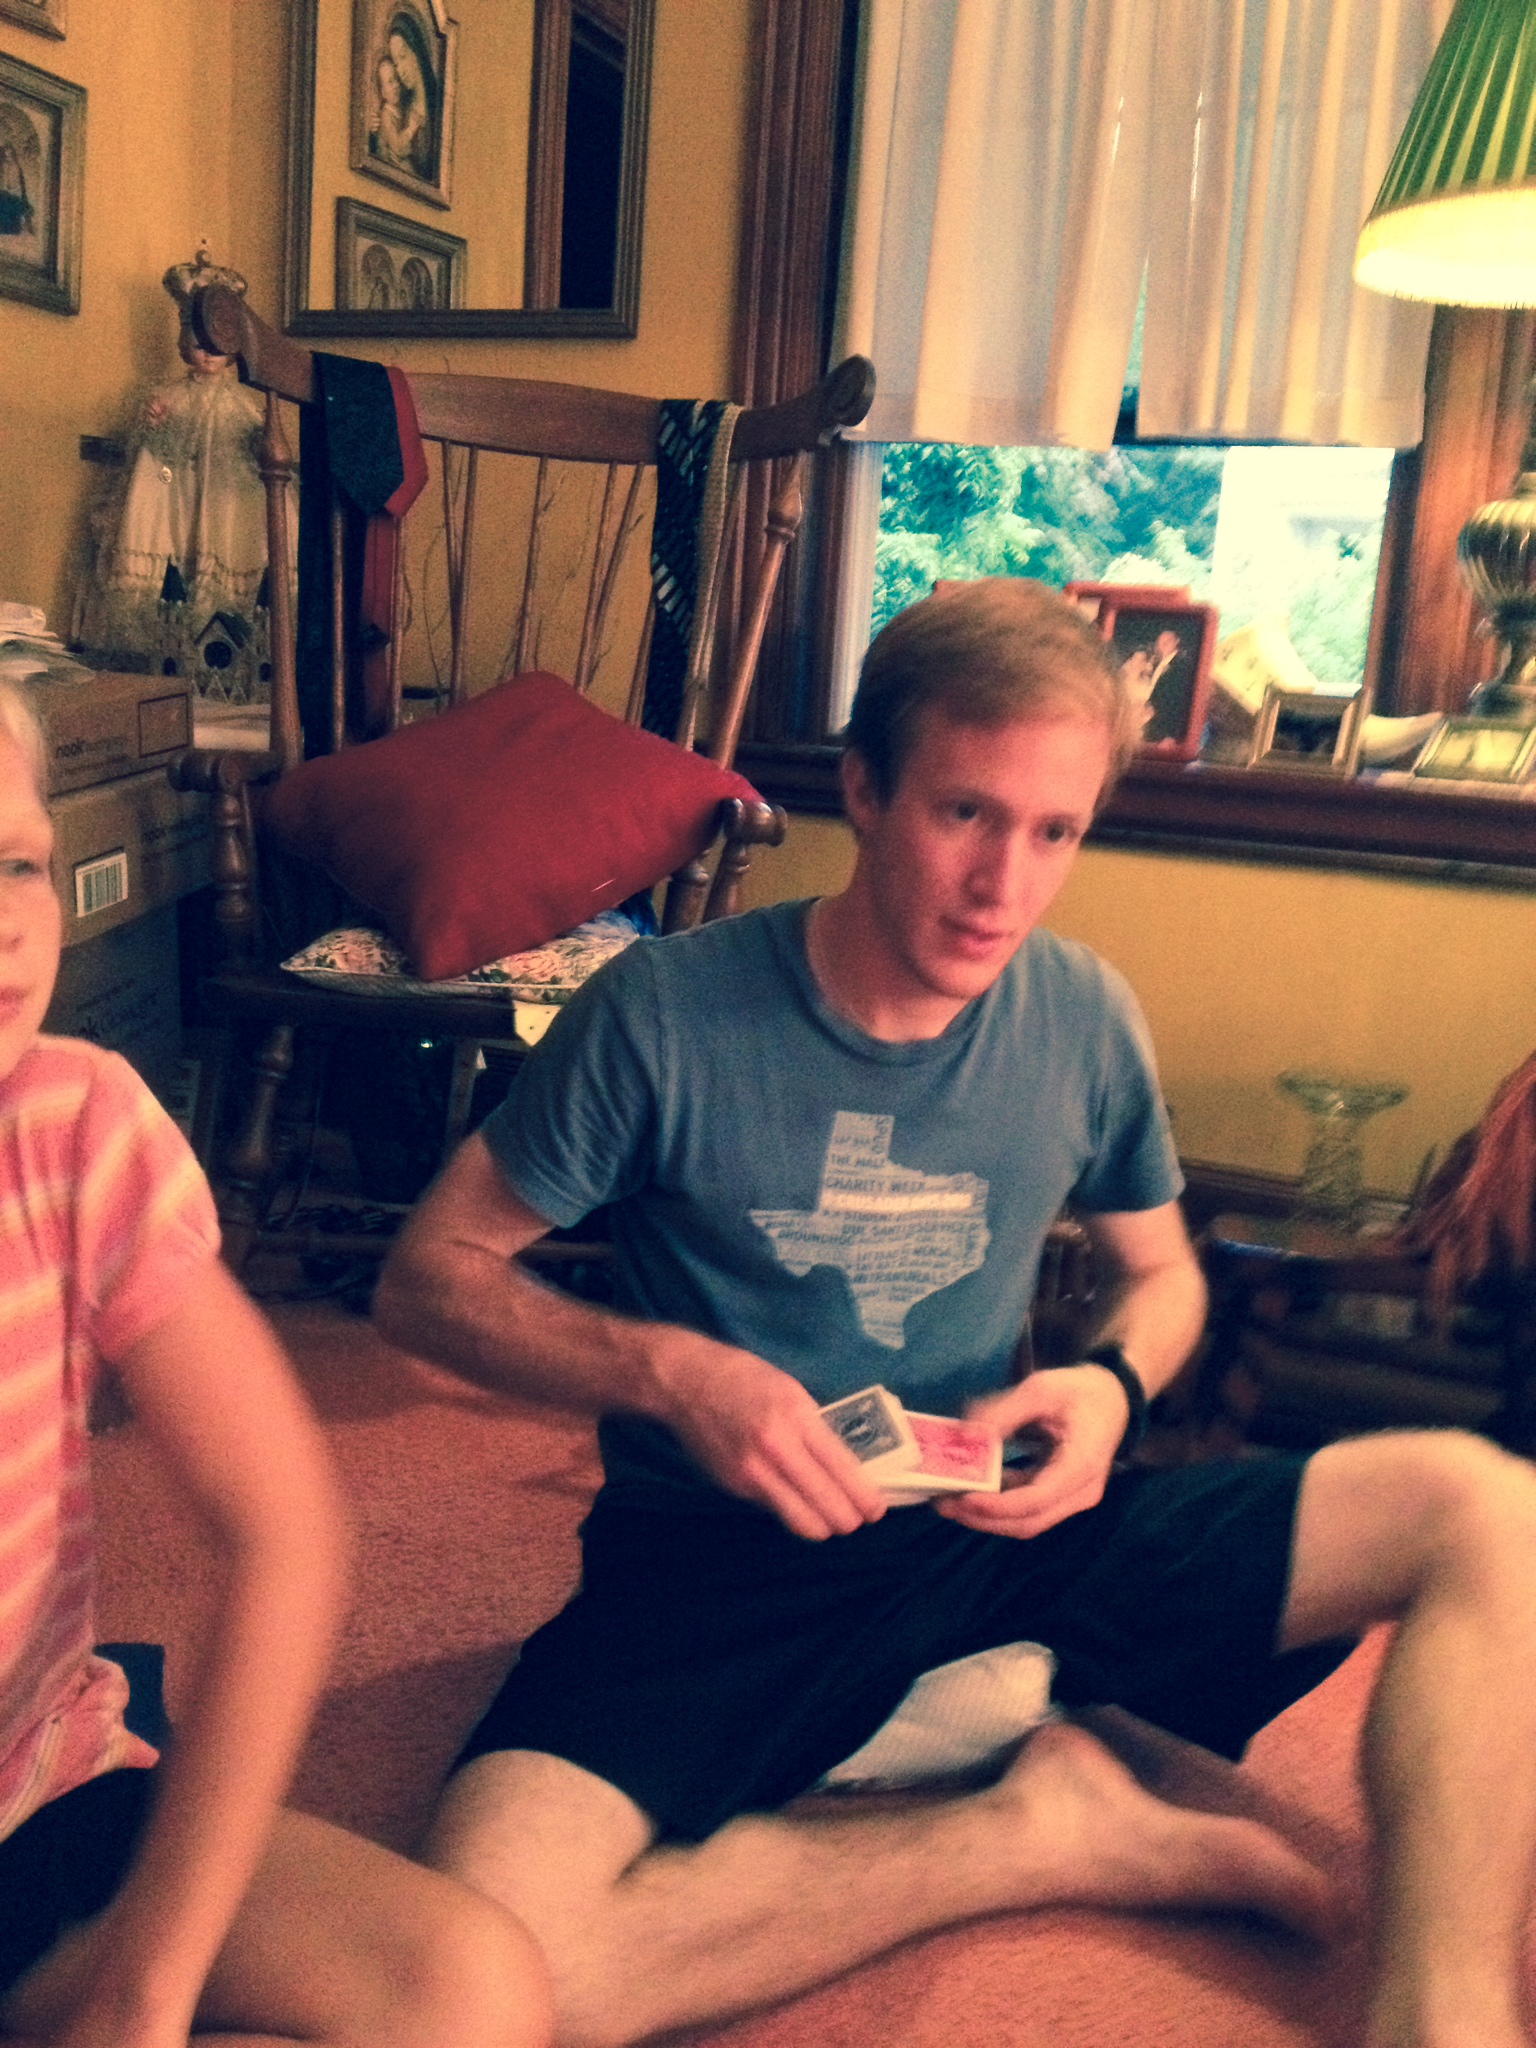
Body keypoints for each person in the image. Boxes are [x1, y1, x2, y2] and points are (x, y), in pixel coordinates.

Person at [375, 578, 1536, 2048]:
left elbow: (1165, 1274)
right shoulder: (660, 1014)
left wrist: (1110, 1390)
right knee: (487, 1967)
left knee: (1487, 1510)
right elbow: (429, 1277)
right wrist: (671, 1374)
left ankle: (1442, 2014)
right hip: (724, 1565)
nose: (1005, 885)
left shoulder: (1083, 1015)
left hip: (1000, 1527)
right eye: (966, 814)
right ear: (864, 791)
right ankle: (1029, 1833)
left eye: (1055, 832)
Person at [0, 678, 551, 2047]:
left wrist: (143, 1993)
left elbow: (287, 1530)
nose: (6, 919)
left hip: (39, 1798)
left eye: (16, 863)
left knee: (471, 1986)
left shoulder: (74, 1126)